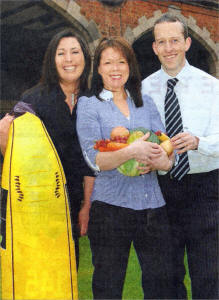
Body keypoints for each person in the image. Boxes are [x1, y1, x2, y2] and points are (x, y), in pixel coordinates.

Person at [76, 36, 176, 299]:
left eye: (121, 61)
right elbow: (93, 159)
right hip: (110, 210)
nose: (115, 68)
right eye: (108, 62)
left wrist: (162, 162)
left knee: (161, 287)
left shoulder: (146, 103)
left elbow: (166, 147)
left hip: (153, 208)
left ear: (130, 66)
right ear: (98, 68)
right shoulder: (89, 105)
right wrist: (132, 151)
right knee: (108, 287)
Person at [0, 28, 95, 267]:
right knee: (36, 274)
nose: (69, 59)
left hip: (71, 203)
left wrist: (86, 206)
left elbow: (90, 162)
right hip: (35, 204)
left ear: (85, 57)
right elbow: (4, 132)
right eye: (61, 53)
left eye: (75, 52)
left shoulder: (91, 100)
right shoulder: (35, 98)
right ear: (52, 60)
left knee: (67, 271)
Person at [142, 13, 219, 299]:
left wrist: (200, 142)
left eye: (174, 40)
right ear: (154, 48)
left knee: (209, 273)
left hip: (205, 188)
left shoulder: (212, 86)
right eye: (161, 42)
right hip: (163, 191)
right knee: (165, 276)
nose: (168, 48)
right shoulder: (144, 89)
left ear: (187, 43)